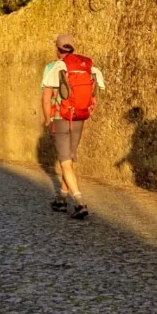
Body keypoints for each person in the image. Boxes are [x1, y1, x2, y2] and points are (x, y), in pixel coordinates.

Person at [41, 33, 104, 220]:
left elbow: (46, 98)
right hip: (79, 118)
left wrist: (47, 118)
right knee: (69, 159)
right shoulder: (87, 67)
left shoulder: (53, 67)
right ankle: (61, 199)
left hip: (62, 117)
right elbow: (94, 97)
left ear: (57, 48)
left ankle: (79, 202)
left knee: (65, 162)